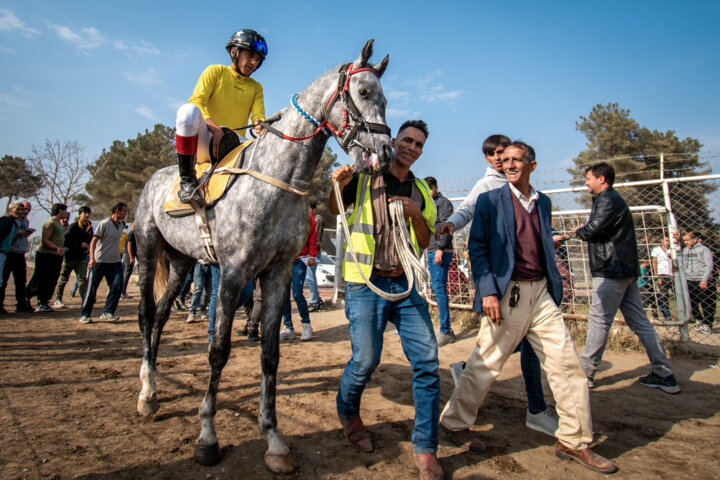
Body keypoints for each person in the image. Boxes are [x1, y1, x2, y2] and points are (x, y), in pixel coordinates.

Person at [440, 142, 617, 474]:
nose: (508, 165)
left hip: (542, 296)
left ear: (532, 165)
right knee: (485, 364)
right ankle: (453, 421)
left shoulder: (543, 202)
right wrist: (489, 292)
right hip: (509, 295)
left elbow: (541, 242)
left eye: (516, 160)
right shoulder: (490, 201)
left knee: (566, 365)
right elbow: (476, 247)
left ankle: (575, 440)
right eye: (504, 160)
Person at [329, 120, 443, 480]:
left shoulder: (422, 190)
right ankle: (348, 413)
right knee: (365, 361)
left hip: (406, 286)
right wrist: (340, 182)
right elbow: (334, 209)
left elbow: (425, 240)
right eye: (407, 140)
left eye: (419, 144)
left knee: (427, 362)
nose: (412, 147)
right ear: (393, 141)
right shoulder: (364, 176)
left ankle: (425, 448)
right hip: (365, 283)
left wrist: (413, 213)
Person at [442, 134, 558, 437]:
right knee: (500, 347)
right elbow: (468, 214)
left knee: (516, 344)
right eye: (494, 154)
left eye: (505, 154)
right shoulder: (488, 188)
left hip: (529, 283)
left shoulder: (529, 192)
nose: (500, 159)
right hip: (500, 280)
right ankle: (528, 407)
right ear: (487, 159)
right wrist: (452, 224)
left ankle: (534, 407)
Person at [574, 162, 680, 394]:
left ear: (602, 179)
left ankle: (585, 374)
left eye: (588, 178)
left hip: (612, 269)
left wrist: (579, 231)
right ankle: (664, 373)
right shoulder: (612, 200)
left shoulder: (607, 200)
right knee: (640, 321)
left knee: (599, 320)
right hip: (626, 269)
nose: (586, 182)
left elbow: (593, 229)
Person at [175, 28, 267, 204]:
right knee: (187, 111)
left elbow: (258, 116)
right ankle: (187, 181)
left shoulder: (256, 87)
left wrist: (260, 125)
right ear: (234, 52)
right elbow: (197, 102)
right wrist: (216, 129)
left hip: (234, 144)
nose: (254, 62)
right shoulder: (215, 71)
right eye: (250, 55)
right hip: (207, 139)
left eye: (258, 59)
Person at [79, 202, 127, 324]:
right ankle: (85, 314)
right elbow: (93, 241)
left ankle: (108, 312)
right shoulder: (104, 224)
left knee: (117, 286)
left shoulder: (121, 225)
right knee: (92, 289)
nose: (125, 214)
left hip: (115, 261)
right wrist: (91, 259)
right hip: (99, 261)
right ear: (117, 211)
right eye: (124, 211)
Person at [424, 176, 456, 346]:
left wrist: (440, 249)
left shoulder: (443, 203)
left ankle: (445, 331)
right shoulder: (429, 203)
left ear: (435, 187)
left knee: (439, 288)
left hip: (439, 250)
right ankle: (445, 329)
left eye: (429, 188)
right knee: (437, 288)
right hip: (431, 249)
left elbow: (445, 226)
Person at [280, 210, 318, 341]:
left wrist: (312, 255)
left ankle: (306, 324)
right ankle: (288, 327)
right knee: (284, 295)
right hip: (284, 260)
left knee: (297, 293)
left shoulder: (307, 216)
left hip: (300, 260)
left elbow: (313, 236)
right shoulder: (283, 213)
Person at [27, 203, 69, 312]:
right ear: (60, 211)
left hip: (56, 256)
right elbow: (45, 240)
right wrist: (56, 248)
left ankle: (44, 301)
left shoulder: (58, 224)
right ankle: (36, 300)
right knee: (42, 279)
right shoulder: (49, 224)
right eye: (65, 211)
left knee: (52, 279)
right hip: (46, 255)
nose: (66, 213)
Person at [54, 206, 93, 307]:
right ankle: (58, 299)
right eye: (85, 213)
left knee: (82, 279)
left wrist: (89, 247)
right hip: (70, 256)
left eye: (88, 213)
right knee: (63, 278)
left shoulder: (90, 227)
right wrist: (80, 244)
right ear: (80, 214)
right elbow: (66, 240)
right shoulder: (73, 227)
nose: (87, 215)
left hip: (81, 257)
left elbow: (91, 240)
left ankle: (84, 300)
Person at [0, 202, 34, 313]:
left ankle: (21, 304)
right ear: (11, 210)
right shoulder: (8, 220)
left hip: (20, 253)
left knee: (21, 281)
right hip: (9, 252)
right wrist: (18, 235)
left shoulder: (25, 221)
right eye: (20, 209)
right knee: (3, 280)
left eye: (26, 209)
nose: (24, 212)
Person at [681, 231, 715, 334]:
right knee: (692, 303)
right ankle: (699, 319)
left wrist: (704, 279)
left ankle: (708, 324)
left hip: (702, 280)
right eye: (684, 240)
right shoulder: (685, 250)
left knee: (707, 304)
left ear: (695, 239)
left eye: (687, 240)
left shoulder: (704, 250)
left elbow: (709, 265)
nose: (686, 242)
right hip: (689, 280)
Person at [305, 202, 325, 312]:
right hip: (310, 252)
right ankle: (317, 299)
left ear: (314, 209)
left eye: (308, 209)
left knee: (309, 278)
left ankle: (314, 302)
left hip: (313, 252)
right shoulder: (311, 219)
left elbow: (315, 238)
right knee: (310, 277)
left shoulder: (318, 219)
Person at [650, 236, 674, 321]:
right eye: (666, 240)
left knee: (678, 294)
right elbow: (654, 262)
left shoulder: (673, 249)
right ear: (662, 240)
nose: (668, 242)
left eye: (669, 240)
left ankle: (683, 313)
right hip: (662, 274)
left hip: (673, 274)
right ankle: (667, 315)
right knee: (664, 295)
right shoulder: (656, 250)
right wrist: (656, 274)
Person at [121, 222, 137, 299]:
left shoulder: (136, 233)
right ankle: (122, 292)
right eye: (134, 223)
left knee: (126, 273)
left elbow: (135, 247)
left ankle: (122, 291)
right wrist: (131, 257)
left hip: (130, 255)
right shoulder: (132, 233)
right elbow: (129, 245)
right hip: (128, 255)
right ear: (131, 224)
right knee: (127, 273)